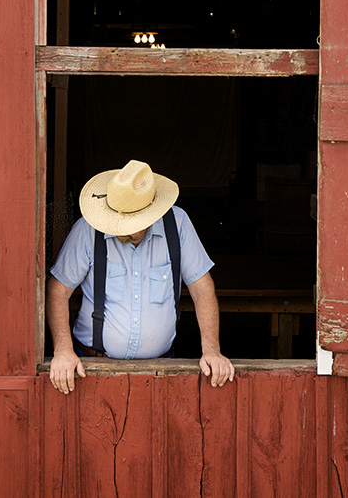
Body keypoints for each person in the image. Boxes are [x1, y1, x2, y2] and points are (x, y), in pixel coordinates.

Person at [47, 160, 235, 394]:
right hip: (91, 365)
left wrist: (212, 351)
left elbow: (202, 289)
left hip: (163, 368)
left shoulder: (177, 224)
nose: (125, 231)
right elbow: (58, 290)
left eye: (133, 223)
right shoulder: (87, 229)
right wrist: (63, 350)